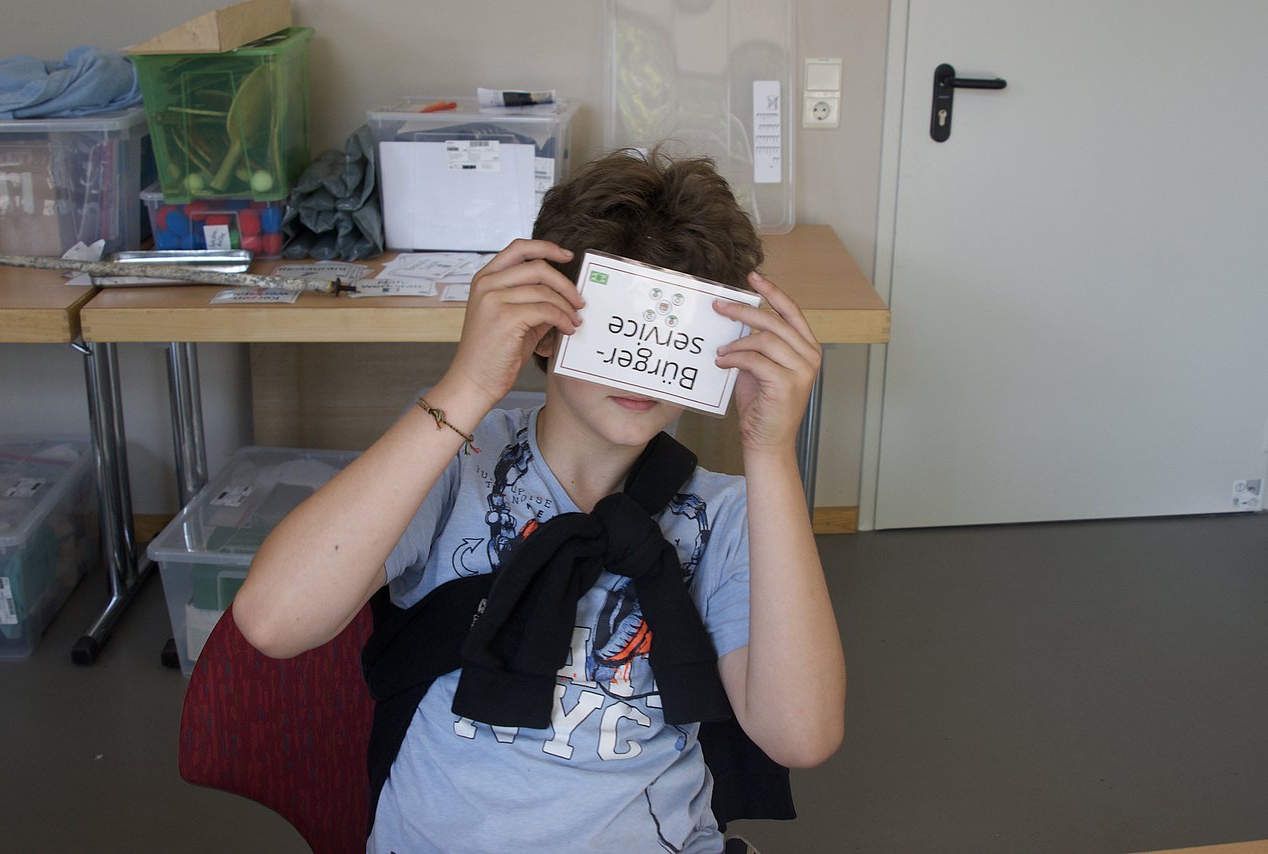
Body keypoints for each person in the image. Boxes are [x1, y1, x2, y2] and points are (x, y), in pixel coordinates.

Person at [233, 149, 845, 852]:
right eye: (619, 323)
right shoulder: (453, 457)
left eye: (678, 334)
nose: (640, 366)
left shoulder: (728, 514)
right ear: (550, 328)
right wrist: (468, 384)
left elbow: (800, 735)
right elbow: (273, 621)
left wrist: (770, 454)